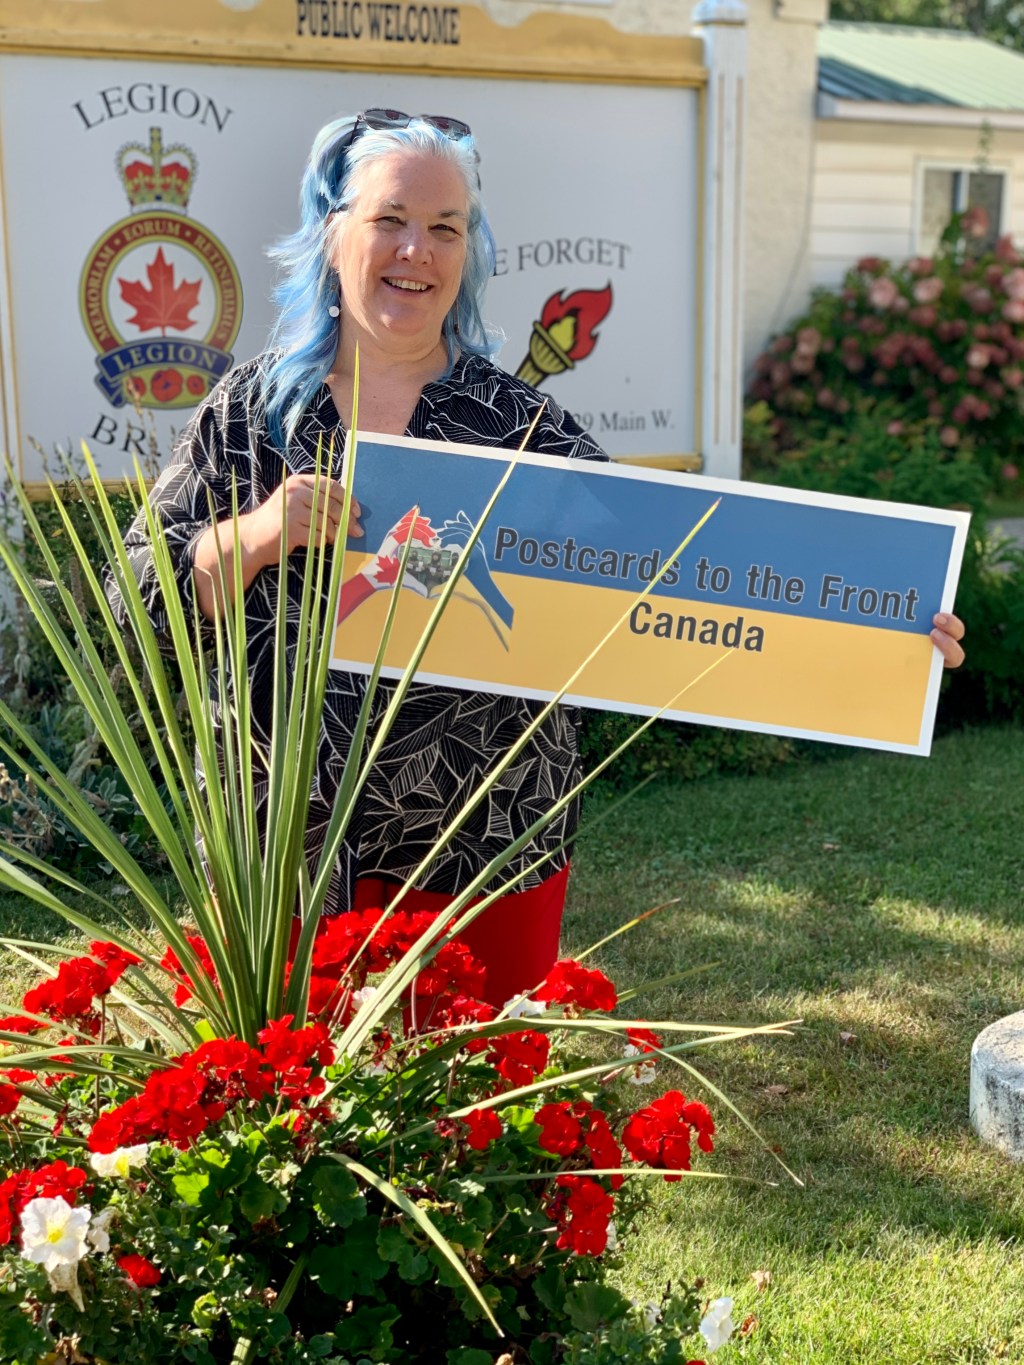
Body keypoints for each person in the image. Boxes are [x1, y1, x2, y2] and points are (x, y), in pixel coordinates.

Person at [114, 109, 967, 1007]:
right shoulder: (252, 414)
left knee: (477, 1126)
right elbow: (134, 597)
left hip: (483, 858)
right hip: (278, 853)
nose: (417, 250)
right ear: (333, 235)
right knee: (291, 1130)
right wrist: (253, 533)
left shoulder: (524, 430)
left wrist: (887, 629)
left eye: (446, 228)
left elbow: (687, 579)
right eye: (390, 220)